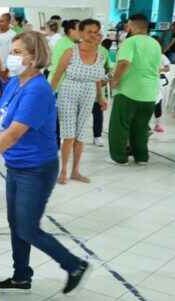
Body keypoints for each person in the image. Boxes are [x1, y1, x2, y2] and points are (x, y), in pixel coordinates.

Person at [0, 31, 91, 295]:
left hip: (36, 169)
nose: (12, 56)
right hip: (17, 166)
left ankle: (74, 264)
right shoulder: (15, 83)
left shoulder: (38, 90)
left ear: (35, 57)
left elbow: (12, 133)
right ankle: (21, 277)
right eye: (13, 51)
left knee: (27, 227)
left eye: (18, 52)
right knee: (16, 224)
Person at [51, 19, 107, 185]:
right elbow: (57, 75)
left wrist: (101, 96)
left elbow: (97, 78)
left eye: (96, 32)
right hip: (69, 91)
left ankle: (75, 171)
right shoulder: (71, 51)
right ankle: (63, 171)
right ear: (81, 33)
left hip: (89, 92)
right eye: (89, 31)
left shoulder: (101, 54)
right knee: (68, 135)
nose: (92, 35)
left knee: (81, 133)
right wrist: (47, 97)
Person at [108, 14, 162, 165]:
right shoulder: (155, 44)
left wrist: (115, 80)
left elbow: (124, 62)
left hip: (128, 91)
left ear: (131, 25)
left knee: (120, 126)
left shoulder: (130, 42)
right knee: (141, 127)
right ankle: (141, 157)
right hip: (150, 93)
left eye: (128, 24)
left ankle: (119, 157)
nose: (126, 27)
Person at [0, 13, 16, 80]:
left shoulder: (12, 35)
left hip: (5, 72)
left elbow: (12, 54)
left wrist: (6, 71)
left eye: (1, 21)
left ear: (8, 22)